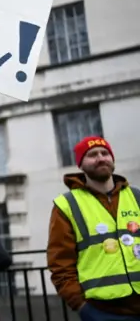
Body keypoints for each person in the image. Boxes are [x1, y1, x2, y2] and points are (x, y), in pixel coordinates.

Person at [47, 136, 140, 320]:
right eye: (92, 155)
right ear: (81, 164)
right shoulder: (67, 205)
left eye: (105, 153)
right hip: (103, 312)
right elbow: (60, 263)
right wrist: (81, 306)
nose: (100, 158)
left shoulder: (137, 196)